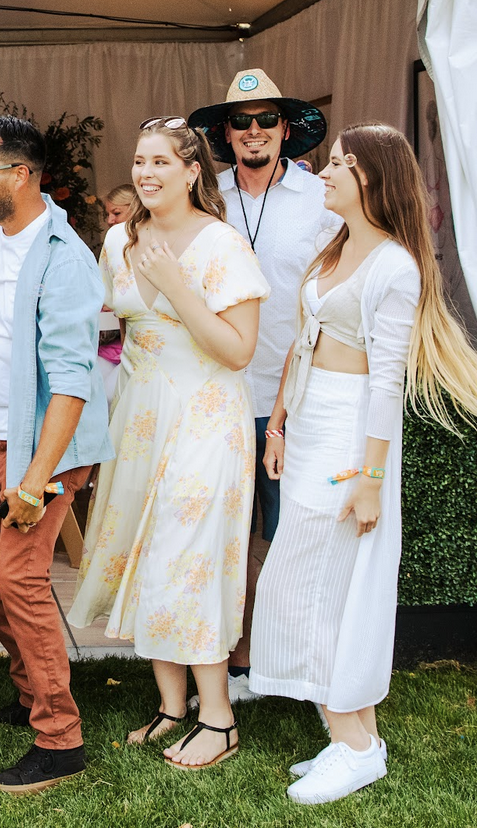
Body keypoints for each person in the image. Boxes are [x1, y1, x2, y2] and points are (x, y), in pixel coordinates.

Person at [250, 123, 477, 804]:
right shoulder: (337, 246)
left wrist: (372, 481)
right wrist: (279, 424)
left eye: (339, 164)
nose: (323, 173)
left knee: (319, 588)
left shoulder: (394, 268)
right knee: (313, 584)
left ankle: (352, 745)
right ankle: (357, 740)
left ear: (371, 177)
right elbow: (301, 341)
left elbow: (385, 384)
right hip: (310, 422)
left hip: (351, 438)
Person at [70, 116, 269, 769]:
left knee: (191, 557)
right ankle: (172, 706)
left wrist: (180, 288)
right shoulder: (120, 239)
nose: (146, 172)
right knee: (150, 551)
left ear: (192, 171)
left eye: (161, 161)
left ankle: (220, 718)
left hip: (207, 417)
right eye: (140, 161)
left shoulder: (222, 244)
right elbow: (119, 326)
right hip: (141, 418)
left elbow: (238, 351)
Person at [0, 114, 113, 793]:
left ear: (20, 175)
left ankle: (60, 739)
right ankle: (29, 693)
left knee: (20, 578)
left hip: (46, 448)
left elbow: (72, 382)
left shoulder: (65, 260)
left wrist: (33, 481)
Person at [187, 69, 341, 703]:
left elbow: (334, 295)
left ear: (286, 129)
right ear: (225, 133)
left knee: (282, 533)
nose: (254, 131)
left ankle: (278, 657)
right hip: (214, 391)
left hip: (288, 395)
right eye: (241, 121)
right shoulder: (206, 198)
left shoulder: (320, 200)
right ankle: (227, 657)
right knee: (217, 533)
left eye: (266, 119)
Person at [97, 185, 135, 405]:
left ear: (135, 208)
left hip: (138, 348)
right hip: (108, 347)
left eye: (117, 213)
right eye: (108, 214)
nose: (110, 220)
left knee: (111, 395)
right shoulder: (110, 246)